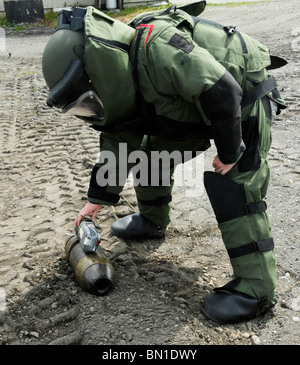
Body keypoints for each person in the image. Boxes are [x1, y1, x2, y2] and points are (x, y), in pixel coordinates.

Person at [42, 1, 286, 323]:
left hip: (242, 94)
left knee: (234, 183)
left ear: (101, 73)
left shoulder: (157, 47)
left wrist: (229, 153)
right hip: (195, 104)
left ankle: (256, 291)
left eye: (87, 102)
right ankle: (153, 220)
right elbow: (119, 140)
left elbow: (223, 91)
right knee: (151, 155)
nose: (90, 112)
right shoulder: (123, 79)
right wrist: (96, 200)